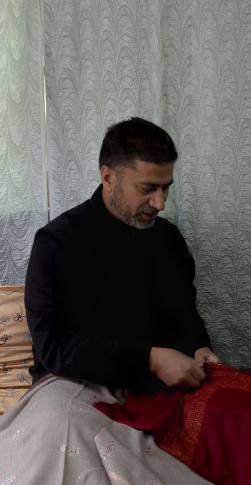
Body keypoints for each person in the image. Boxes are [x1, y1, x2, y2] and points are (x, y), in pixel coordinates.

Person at [25, 117, 221, 395]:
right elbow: (53, 349)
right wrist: (150, 359)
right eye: (147, 189)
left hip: (158, 386)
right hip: (73, 386)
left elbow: (184, 315)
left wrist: (199, 348)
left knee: (250, 409)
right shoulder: (56, 242)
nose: (161, 202)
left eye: (166, 187)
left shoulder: (167, 238)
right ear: (108, 178)